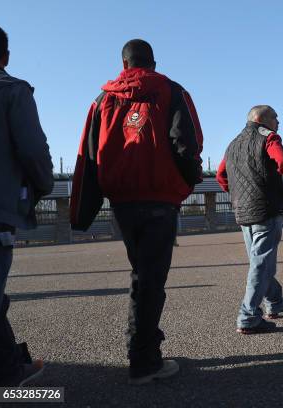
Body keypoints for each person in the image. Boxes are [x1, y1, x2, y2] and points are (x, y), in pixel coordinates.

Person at [70, 39, 203, 385]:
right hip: (160, 198)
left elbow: (89, 153)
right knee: (151, 279)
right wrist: (186, 182)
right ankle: (144, 358)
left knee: (141, 275)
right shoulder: (171, 91)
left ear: (124, 65)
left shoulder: (103, 100)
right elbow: (186, 143)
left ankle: (141, 347)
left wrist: (84, 208)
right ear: (153, 63)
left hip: (123, 201)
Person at [0, 24, 53, 386]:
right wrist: (42, 185)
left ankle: (8, 367)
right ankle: (7, 382)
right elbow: (32, 151)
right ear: (6, 56)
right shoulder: (11, 91)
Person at [216, 105, 283, 333]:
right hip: (266, 208)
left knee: (260, 261)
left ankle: (274, 302)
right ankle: (248, 316)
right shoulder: (268, 138)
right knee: (261, 263)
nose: (278, 121)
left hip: (243, 211)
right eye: (276, 117)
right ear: (262, 119)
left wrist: (235, 194)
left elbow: (220, 174)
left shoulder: (233, 143)